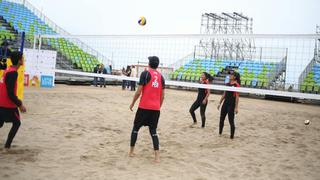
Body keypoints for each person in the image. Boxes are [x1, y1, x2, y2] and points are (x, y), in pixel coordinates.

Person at [129, 56, 165, 163]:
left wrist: (132, 103)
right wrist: (158, 106)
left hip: (144, 107)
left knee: (135, 128)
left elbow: (138, 92)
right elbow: (163, 96)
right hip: (155, 108)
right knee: (153, 131)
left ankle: (131, 152)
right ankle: (157, 157)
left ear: (149, 64)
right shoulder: (161, 77)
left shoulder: (145, 73)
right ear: (157, 65)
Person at [0, 51, 27, 149]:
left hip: (1, 103)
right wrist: (20, 104)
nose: (23, 59)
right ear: (19, 61)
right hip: (7, 105)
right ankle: (7, 147)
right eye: (22, 58)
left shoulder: (8, 70)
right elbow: (10, 93)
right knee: (17, 123)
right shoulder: (13, 73)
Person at [217, 70, 240, 139]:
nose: (230, 75)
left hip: (231, 105)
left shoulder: (236, 85)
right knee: (221, 119)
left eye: (231, 75)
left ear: (235, 77)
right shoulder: (227, 84)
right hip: (225, 103)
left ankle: (231, 136)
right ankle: (220, 133)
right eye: (229, 74)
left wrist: (236, 107)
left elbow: (237, 97)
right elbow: (224, 94)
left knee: (231, 120)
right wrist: (219, 103)